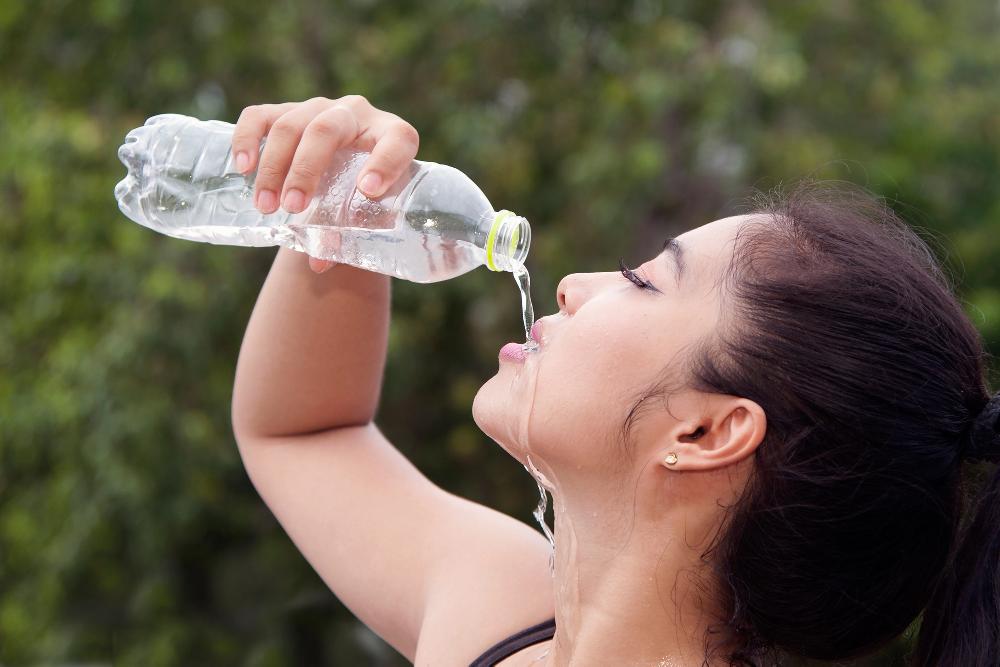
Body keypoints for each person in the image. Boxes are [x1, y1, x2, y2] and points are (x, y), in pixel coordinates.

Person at [229, 96, 1000, 666]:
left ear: (706, 431)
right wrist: (335, 209)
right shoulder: (499, 613)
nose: (570, 283)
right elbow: (304, 430)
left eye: (642, 278)